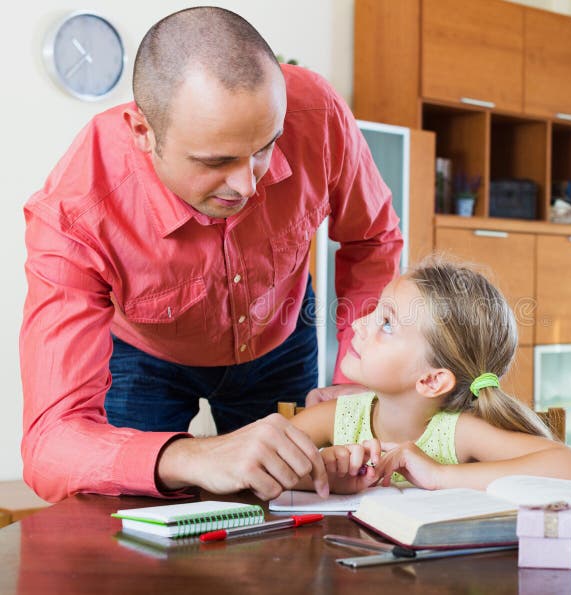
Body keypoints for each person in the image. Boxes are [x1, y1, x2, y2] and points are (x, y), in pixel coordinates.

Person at [20, 7, 401, 502]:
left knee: (302, 506)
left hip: (281, 340)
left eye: (266, 147)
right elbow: (51, 444)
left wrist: (355, 377)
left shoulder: (318, 114)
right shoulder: (75, 213)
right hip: (143, 359)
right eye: (216, 161)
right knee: (131, 521)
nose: (249, 184)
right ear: (143, 133)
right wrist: (196, 455)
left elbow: (372, 239)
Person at [290, 258, 571, 494]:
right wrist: (322, 476)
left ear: (431, 381)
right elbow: (256, 465)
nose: (358, 323)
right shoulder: (335, 417)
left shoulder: (458, 432)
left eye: (386, 324)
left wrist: (440, 475)